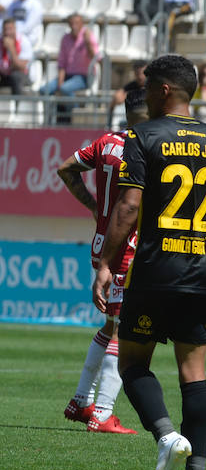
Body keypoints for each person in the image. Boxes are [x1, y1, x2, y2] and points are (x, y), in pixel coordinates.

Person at [92, 55, 206, 470]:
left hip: (156, 268)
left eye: (147, 85)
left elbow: (126, 208)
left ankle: (165, 436)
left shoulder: (143, 136)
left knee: (133, 362)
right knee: (193, 373)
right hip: (201, 270)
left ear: (162, 90)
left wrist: (105, 262)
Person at [56, 95, 150, 436]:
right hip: (126, 248)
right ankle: (104, 414)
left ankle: (82, 402)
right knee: (123, 329)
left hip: (101, 242)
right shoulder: (148, 150)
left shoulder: (106, 142)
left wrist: (94, 207)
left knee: (111, 326)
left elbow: (66, 169)